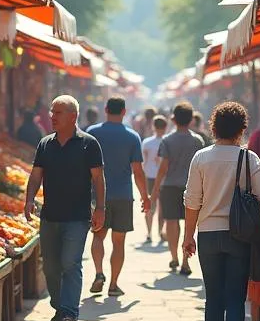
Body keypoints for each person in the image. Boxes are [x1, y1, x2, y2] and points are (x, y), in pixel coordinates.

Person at [183, 101, 260, 321]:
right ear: (241, 129)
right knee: (236, 295)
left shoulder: (201, 157)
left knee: (214, 297)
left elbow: (191, 201)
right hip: (239, 236)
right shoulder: (249, 159)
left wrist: (188, 236)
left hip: (209, 236)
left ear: (214, 127)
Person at [24, 96, 105, 321]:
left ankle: (69, 314)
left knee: (70, 263)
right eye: (51, 111)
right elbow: (36, 174)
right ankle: (59, 309)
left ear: (73, 117)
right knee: (50, 267)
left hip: (77, 218)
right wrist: (29, 199)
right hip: (49, 216)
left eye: (57, 112)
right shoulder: (45, 144)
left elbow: (98, 179)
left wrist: (100, 208)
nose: (52, 116)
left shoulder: (89, 144)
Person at [87, 98, 149, 296]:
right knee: (118, 242)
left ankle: (98, 273)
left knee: (98, 235)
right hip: (123, 195)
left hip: (98, 196)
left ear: (105, 109)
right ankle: (113, 284)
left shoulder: (92, 133)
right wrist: (145, 196)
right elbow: (138, 171)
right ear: (124, 111)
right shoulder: (132, 136)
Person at [151, 102, 206, 275]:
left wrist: (154, 190)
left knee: (171, 222)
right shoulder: (198, 141)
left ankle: (174, 257)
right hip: (192, 187)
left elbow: (163, 167)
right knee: (189, 226)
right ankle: (185, 261)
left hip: (170, 186)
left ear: (173, 119)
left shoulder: (167, 140)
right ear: (191, 119)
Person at [141, 114, 167, 244]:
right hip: (164, 178)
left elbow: (143, 162)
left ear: (153, 126)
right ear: (165, 127)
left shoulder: (147, 142)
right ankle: (161, 231)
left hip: (149, 176)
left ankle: (149, 233)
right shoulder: (168, 141)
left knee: (150, 206)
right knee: (162, 207)